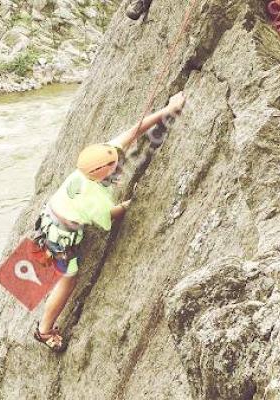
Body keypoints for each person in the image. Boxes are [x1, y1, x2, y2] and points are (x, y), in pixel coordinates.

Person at [33, 91, 186, 352]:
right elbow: (108, 218)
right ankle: (44, 330)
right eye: (116, 164)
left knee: (44, 260)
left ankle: (39, 265)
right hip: (63, 237)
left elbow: (132, 132)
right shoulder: (96, 198)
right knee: (68, 279)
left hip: (48, 218)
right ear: (104, 172)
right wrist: (129, 204)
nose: (120, 162)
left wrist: (167, 111)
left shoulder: (88, 167)